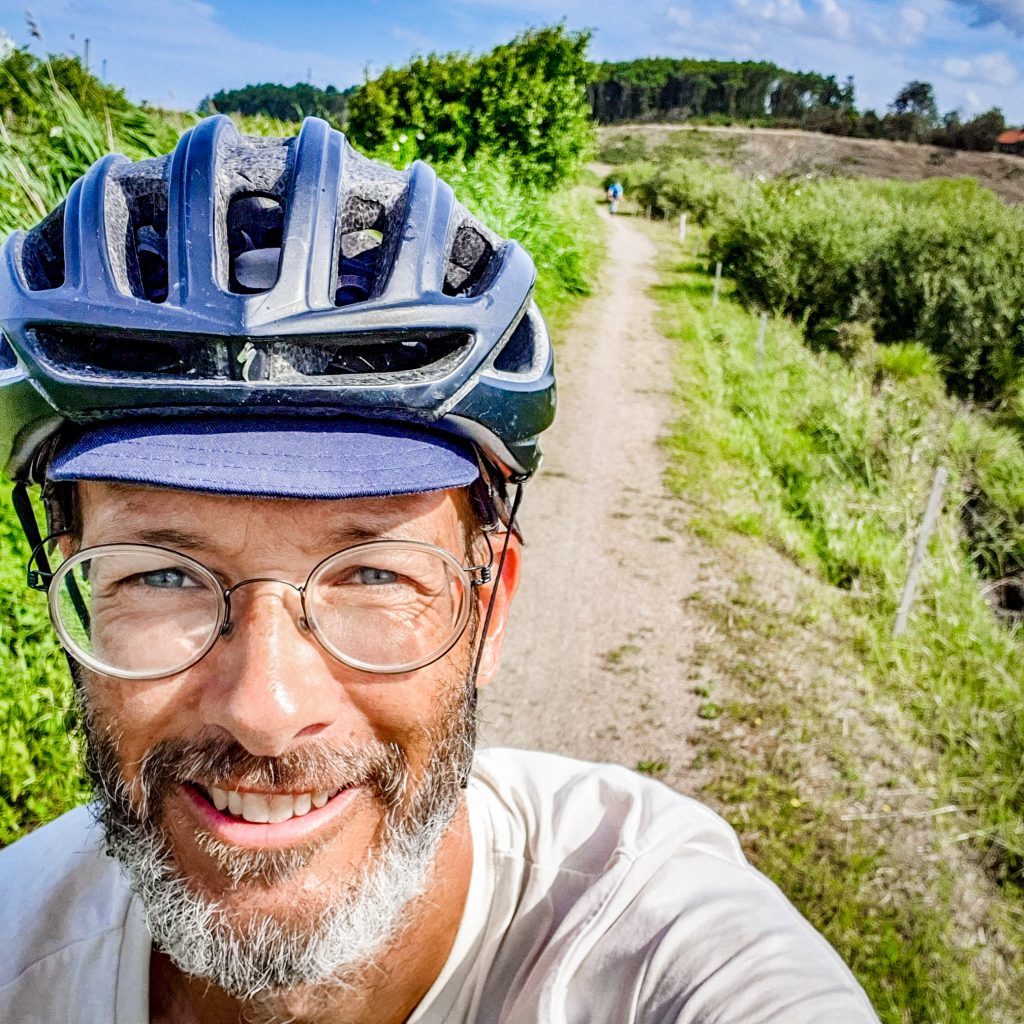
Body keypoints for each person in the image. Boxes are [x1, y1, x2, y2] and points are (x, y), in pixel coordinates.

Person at [0, 116, 880, 1024]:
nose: (265, 713)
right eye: (160, 577)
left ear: (488, 608)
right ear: (78, 595)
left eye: (374, 575)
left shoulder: (661, 948)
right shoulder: (14, 943)